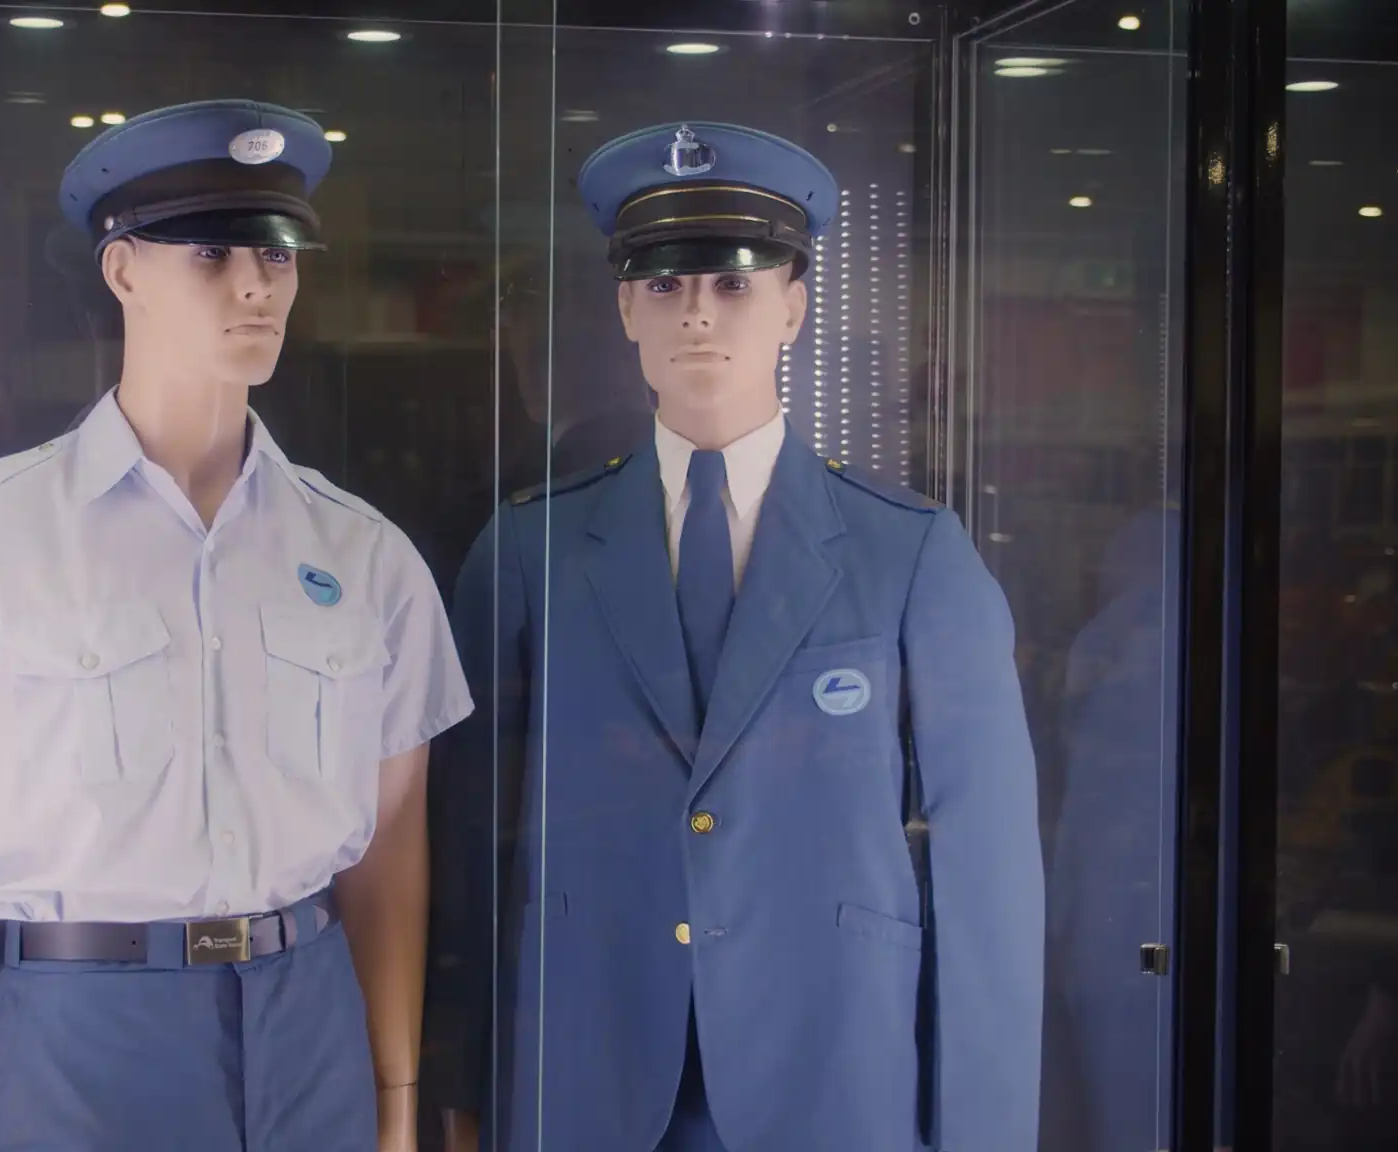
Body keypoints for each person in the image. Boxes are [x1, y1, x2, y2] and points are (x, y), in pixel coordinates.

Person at [0, 98, 473, 1152]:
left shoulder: (365, 557)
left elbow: (391, 848)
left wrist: (395, 1102)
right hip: (87, 1030)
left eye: (278, 255)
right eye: (213, 254)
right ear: (122, 270)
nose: (258, 285)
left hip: (310, 1018)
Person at [427, 121, 1044, 1152]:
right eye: (664, 286)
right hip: (587, 1071)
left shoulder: (910, 558)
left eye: (735, 283)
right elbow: (467, 854)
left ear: (794, 307)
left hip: (831, 1072)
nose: (698, 314)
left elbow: (986, 880)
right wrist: (458, 1090)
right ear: (624, 307)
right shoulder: (530, 554)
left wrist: (979, 1129)